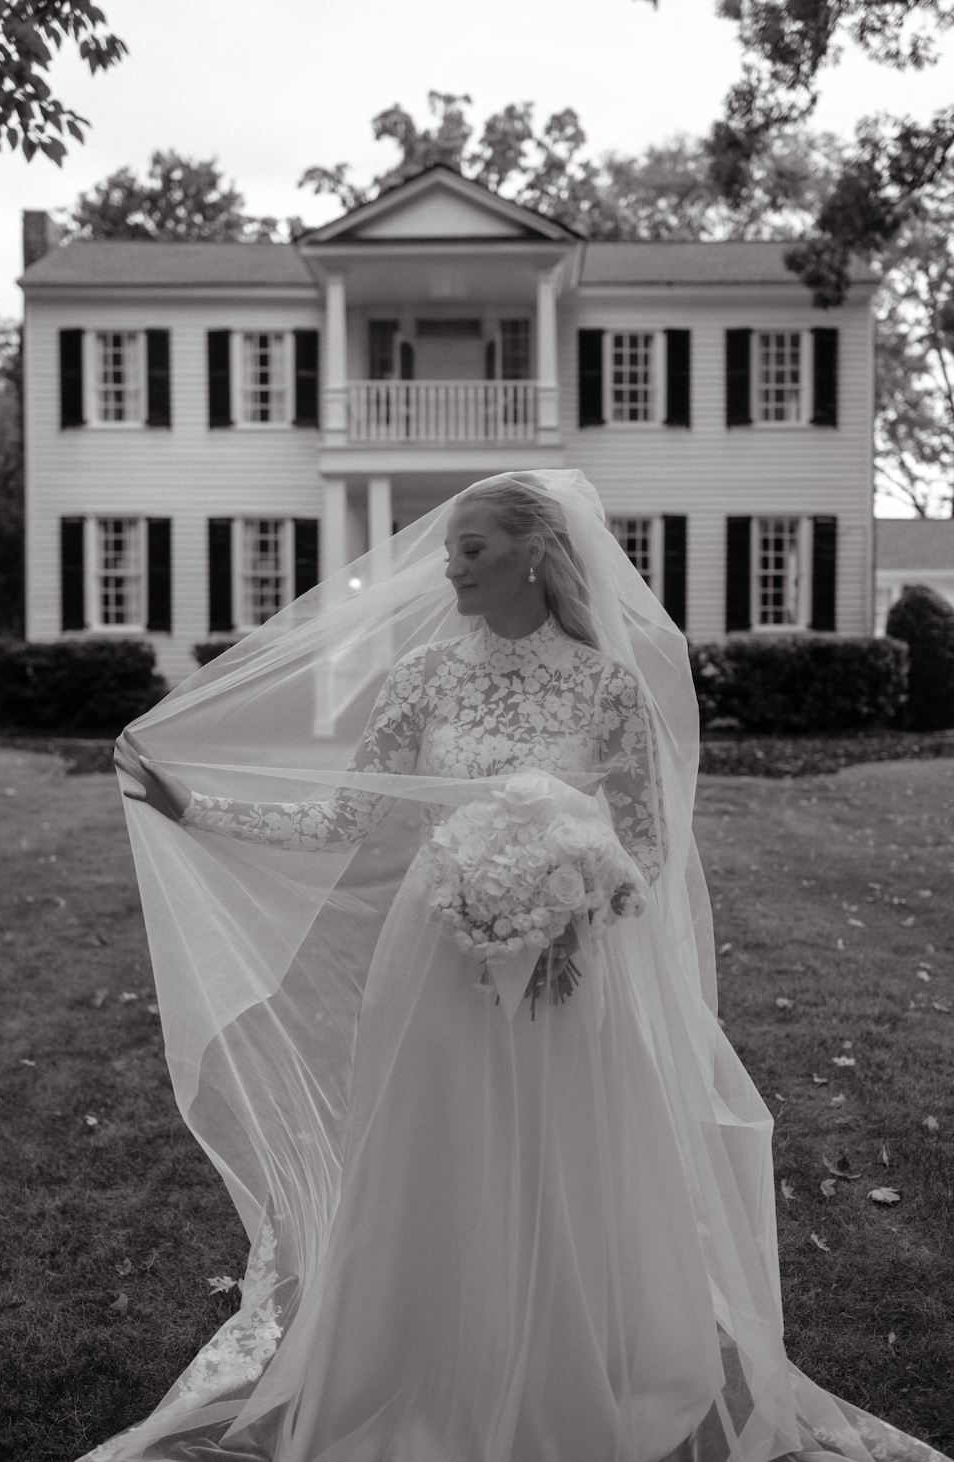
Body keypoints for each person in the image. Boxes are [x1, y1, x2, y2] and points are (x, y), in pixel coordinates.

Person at [90, 471, 946, 1462]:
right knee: (438, 1158)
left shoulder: (606, 686)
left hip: (569, 972)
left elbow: (649, 851)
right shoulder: (420, 680)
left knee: (557, 1168)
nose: (447, 568)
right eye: (450, 549)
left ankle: (561, 1365)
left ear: (533, 554)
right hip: (434, 967)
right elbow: (340, 819)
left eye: (470, 550)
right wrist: (192, 808)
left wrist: (572, 882)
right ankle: (427, 1362)